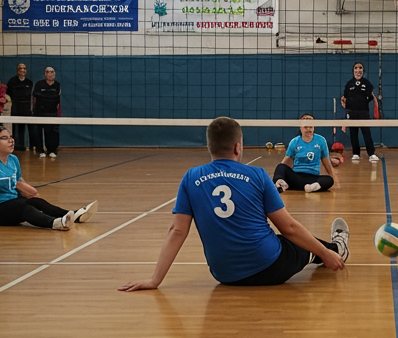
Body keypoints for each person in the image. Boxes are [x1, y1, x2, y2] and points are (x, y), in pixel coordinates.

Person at [118, 117, 349, 290]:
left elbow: (177, 231)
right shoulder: (257, 175)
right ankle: (337, 249)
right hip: (270, 266)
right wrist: (323, 253)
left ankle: (328, 250)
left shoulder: (190, 177)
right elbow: (288, 227)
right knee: (301, 245)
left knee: (283, 240)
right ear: (238, 147)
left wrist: (155, 280)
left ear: (209, 147)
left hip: (225, 275)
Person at [0, 127, 96, 231]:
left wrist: (28, 191)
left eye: (11, 137)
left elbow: (18, 181)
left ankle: (74, 215)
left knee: (36, 202)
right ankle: (55, 224)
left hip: (12, 202)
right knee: (23, 207)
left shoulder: (13, 159)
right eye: (4, 138)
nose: (11, 140)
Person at [274, 114, 337, 193]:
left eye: (311, 127)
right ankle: (281, 185)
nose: (308, 129)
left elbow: (326, 160)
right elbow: (286, 161)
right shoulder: (295, 141)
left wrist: (333, 177)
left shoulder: (321, 140)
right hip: (296, 177)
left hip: (312, 178)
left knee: (329, 180)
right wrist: (279, 175)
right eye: (306, 127)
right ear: (300, 127)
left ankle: (311, 187)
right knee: (280, 167)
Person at [341, 62, 379, 163]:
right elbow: (345, 97)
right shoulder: (349, 84)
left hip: (363, 112)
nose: (358, 70)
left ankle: (371, 154)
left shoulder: (367, 84)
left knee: (366, 133)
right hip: (352, 112)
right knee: (353, 134)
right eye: (356, 68)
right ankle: (356, 153)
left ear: (363, 71)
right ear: (353, 71)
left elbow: (371, 97)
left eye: (360, 68)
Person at [32, 66, 62, 157]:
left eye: (52, 72)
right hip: (39, 112)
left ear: (54, 74)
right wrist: (33, 110)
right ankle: (40, 150)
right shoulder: (39, 84)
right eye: (48, 72)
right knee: (38, 132)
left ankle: (52, 150)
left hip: (52, 112)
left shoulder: (57, 85)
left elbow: (58, 99)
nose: (50, 74)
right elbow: (34, 98)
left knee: (51, 132)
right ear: (45, 74)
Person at [5, 63, 36, 152]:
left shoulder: (29, 82)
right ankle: (17, 146)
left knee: (31, 128)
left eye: (24, 68)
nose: (22, 70)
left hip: (27, 108)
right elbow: (8, 93)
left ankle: (32, 146)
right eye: (20, 68)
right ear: (17, 70)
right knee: (17, 128)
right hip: (16, 107)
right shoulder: (12, 81)